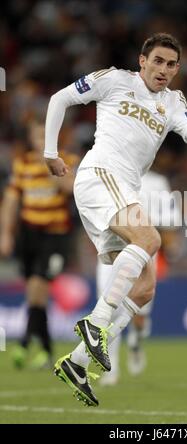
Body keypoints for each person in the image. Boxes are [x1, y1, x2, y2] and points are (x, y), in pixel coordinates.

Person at [44, 32, 187, 407]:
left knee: (145, 288)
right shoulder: (114, 80)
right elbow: (60, 98)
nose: (164, 69)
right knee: (150, 240)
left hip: (126, 190)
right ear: (142, 61)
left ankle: (77, 362)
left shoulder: (173, 102)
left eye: (171, 64)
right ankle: (95, 324)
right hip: (98, 175)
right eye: (157, 61)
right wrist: (50, 152)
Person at [0, 120, 78, 370]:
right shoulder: (22, 163)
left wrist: (52, 170)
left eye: (46, 135)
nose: (41, 140)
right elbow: (11, 200)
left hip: (56, 235)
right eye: (37, 136)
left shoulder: (67, 159)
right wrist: (6, 234)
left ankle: (23, 343)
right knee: (35, 294)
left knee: (38, 287)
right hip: (29, 235)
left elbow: (73, 188)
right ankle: (46, 349)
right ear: (31, 138)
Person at [98, 169, 181, 386]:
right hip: (112, 250)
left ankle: (136, 340)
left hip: (143, 251)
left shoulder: (157, 181)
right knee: (108, 307)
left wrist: (169, 246)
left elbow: (170, 219)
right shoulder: (107, 172)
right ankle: (111, 368)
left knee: (140, 312)